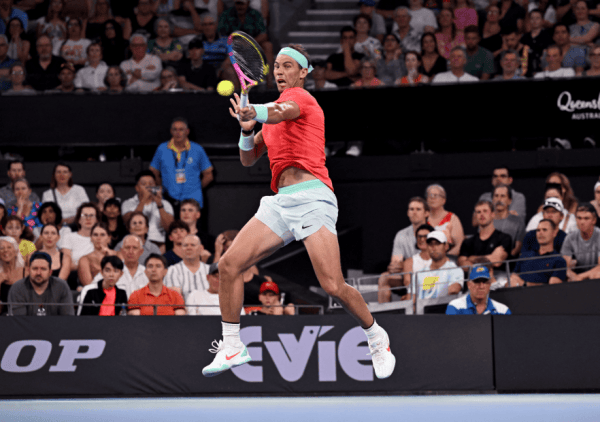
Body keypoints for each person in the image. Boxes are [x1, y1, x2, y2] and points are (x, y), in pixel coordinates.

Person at [202, 44, 395, 380]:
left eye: (287, 66)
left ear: (303, 72)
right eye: (276, 66)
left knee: (332, 285)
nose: (279, 72)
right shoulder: (271, 116)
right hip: (280, 201)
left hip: (313, 197)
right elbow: (249, 159)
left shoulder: (302, 100)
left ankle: (376, 335)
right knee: (229, 265)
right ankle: (232, 345)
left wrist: (257, 111)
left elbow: (281, 111)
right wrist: (247, 129)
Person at [149, 117, 214, 210]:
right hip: (168, 200)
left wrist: (195, 188)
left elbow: (209, 175)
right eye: (175, 129)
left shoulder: (197, 149)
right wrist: (161, 188)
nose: (178, 132)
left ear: (187, 131)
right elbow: (153, 172)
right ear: (171, 131)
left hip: (193, 200)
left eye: (181, 129)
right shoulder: (162, 149)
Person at [377, 197, 429, 303]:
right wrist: (396, 266)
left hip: (430, 274)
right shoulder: (401, 235)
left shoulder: (434, 232)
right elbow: (395, 264)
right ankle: (383, 316)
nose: (414, 212)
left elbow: (434, 261)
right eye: (411, 209)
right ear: (407, 213)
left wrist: (405, 265)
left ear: (426, 213)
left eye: (418, 209)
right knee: (384, 277)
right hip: (407, 274)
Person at [7, 251, 74, 316]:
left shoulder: (61, 286)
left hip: (55, 327)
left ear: (50, 272)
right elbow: (19, 322)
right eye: (35, 268)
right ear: (29, 270)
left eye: (43, 269)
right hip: (25, 327)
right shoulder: (17, 288)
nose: (38, 273)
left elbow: (67, 319)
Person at [122, 170, 175, 251]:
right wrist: (143, 200)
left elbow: (169, 228)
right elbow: (128, 223)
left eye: (151, 184)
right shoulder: (128, 203)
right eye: (144, 184)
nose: (148, 187)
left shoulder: (165, 204)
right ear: (137, 188)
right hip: (134, 245)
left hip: (159, 245)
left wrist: (159, 204)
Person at [509, 219, 567, 286]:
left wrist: (524, 284)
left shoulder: (559, 260)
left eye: (544, 230)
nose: (540, 233)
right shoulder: (524, 256)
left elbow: (553, 288)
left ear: (554, 233)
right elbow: (512, 278)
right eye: (538, 230)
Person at [409, 231, 464, 300]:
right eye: (430, 244)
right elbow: (410, 299)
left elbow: (453, 291)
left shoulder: (455, 270)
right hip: (421, 310)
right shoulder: (418, 274)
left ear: (446, 246)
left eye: (437, 244)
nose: (433, 247)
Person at [458, 201, 511, 270]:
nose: (482, 214)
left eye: (485, 211)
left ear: (493, 214)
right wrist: (490, 257)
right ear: (475, 216)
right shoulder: (468, 242)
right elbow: (463, 266)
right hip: (473, 279)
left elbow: (497, 261)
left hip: (496, 279)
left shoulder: (504, 238)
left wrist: (471, 258)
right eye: (478, 212)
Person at [446, 265, 511, 314]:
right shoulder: (455, 306)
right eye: (477, 282)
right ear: (469, 285)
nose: (481, 286)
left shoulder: (503, 310)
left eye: (485, 282)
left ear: (489, 285)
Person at [163, 233, 210, 300]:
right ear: (181, 249)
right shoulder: (172, 270)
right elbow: (173, 299)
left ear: (201, 248)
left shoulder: (210, 270)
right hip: (182, 309)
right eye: (185, 245)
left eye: (193, 245)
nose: (189, 248)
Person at [561, 203, 600, 281]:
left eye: (586, 218)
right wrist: (573, 275)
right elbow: (565, 266)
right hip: (577, 276)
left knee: (597, 275)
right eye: (579, 218)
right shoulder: (570, 238)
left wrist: (580, 277)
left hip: (594, 276)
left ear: (594, 220)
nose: (582, 222)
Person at [60, 203, 98, 283]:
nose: (88, 218)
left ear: (96, 220)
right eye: (85, 215)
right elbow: (67, 264)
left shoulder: (101, 237)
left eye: (92, 215)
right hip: (73, 278)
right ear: (79, 219)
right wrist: (85, 267)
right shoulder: (69, 237)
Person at [425, 184, 464, 255]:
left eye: (436, 195)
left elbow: (460, 245)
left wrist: (444, 258)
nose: (432, 198)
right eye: (430, 195)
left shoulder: (452, 218)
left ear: (444, 200)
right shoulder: (423, 218)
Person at [78, 223, 118, 287]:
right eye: (95, 235)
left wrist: (112, 258)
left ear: (109, 238)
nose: (98, 238)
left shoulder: (118, 255)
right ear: (91, 238)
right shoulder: (84, 260)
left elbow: (125, 278)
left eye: (102, 235)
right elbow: (88, 286)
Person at [492, 184, 525, 257]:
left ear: (510, 201)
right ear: (492, 200)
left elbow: (518, 247)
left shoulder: (518, 221)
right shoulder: (486, 221)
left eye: (502, 196)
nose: (499, 199)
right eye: (496, 196)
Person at [0, 236, 28, 315]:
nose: (5, 250)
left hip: (27, 317)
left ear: (16, 252)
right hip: (5, 317)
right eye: (1, 248)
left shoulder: (26, 272)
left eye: (9, 247)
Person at [521, 9, 553, 74]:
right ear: (529, 20)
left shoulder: (548, 36)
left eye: (537, 18)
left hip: (543, 71)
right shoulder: (524, 37)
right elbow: (522, 56)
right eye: (532, 18)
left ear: (542, 21)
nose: (534, 21)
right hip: (526, 71)